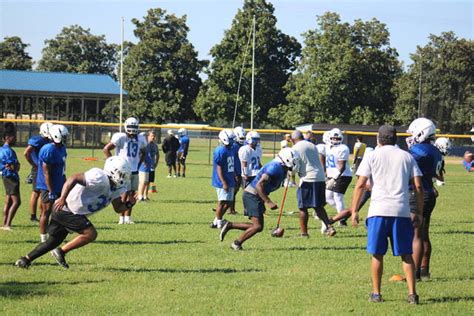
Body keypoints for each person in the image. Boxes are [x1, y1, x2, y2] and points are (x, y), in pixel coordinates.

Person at [15, 156, 133, 270]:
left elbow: (118, 208)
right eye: (122, 174)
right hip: (66, 209)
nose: (124, 178)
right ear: (113, 171)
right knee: (90, 234)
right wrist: (62, 198)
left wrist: (129, 204)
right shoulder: (100, 177)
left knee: (53, 241)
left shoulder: (116, 187)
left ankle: (25, 260)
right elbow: (74, 178)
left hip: (72, 212)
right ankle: (61, 251)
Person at [351, 125, 423, 305]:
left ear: (378, 139)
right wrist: (419, 212)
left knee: (377, 254)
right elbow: (419, 186)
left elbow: (360, 185)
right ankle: (412, 294)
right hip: (401, 211)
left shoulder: (372, 155)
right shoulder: (407, 156)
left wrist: (354, 211)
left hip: (378, 211)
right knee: (406, 254)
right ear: (395, 138)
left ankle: (376, 293)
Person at [219, 147, 299, 250]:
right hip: (252, 195)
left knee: (258, 226)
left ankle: (229, 225)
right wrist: (268, 202)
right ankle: (236, 243)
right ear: (287, 158)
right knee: (257, 226)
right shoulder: (275, 167)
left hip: (256, 196)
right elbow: (258, 185)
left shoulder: (281, 166)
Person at [406, 118, 443, 281]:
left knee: (416, 235)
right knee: (423, 233)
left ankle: (413, 274)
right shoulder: (435, 150)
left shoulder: (419, 150)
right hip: (429, 192)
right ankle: (424, 271)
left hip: (418, 194)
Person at [291, 130, 335, 237]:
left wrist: (290, 173)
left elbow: (295, 166)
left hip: (307, 179)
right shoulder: (312, 145)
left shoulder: (295, 148)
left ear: (293, 140)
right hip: (320, 177)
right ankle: (329, 227)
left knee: (302, 207)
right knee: (318, 206)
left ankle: (304, 233)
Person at [103, 117, 146, 224]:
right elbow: (106, 149)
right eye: (130, 127)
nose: (132, 130)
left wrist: (138, 164)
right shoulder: (121, 137)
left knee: (131, 194)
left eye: (134, 127)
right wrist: (112, 163)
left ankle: (128, 218)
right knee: (123, 194)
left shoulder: (141, 139)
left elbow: (143, 153)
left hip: (134, 171)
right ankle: (121, 218)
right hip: (122, 171)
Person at [36, 124, 68, 242]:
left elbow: (62, 169)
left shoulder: (62, 148)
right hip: (47, 185)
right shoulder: (48, 149)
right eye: (64, 136)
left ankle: (54, 235)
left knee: (59, 211)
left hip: (59, 183)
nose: (65, 138)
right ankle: (43, 237)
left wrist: (64, 183)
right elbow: (46, 173)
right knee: (46, 211)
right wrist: (51, 191)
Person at [24, 122, 52, 222]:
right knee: (36, 192)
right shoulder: (37, 140)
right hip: (38, 168)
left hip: (44, 168)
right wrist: (34, 164)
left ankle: (42, 214)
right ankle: (33, 216)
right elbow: (27, 152)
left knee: (42, 192)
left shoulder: (47, 140)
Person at [325, 128, 352, 226]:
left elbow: (342, 166)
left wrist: (334, 178)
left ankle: (342, 220)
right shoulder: (327, 147)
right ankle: (344, 214)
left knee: (337, 197)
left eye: (337, 138)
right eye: (333, 138)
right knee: (327, 197)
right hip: (332, 175)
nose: (335, 140)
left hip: (343, 175)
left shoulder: (343, 148)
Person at [210, 129, 236, 229]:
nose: (233, 141)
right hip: (223, 179)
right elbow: (219, 167)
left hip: (230, 178)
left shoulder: (230, 149)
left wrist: (234, 175)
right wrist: (223, 182)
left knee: (229, 202)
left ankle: (216, 220)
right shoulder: (220, 150)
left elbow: (231, 164)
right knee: (222, 201)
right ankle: (219, 222)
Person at [0, 123, 21, 230]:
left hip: (5, 177)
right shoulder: (9, 151)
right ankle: (7, 224)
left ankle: (4, 223)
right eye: (13, 136)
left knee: (8, 200)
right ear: (7, 137)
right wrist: (16, 166)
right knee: (17, 202)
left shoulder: (1, 149)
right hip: (11, 178)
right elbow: (12, 166)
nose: (15, 138)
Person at [229, 126, 246, 215]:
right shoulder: (234, 146)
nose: (242, 139)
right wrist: (235, 173)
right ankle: (230, 209)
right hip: (236, 172)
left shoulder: (242, 145)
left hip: (242, 172)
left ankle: (231, 208)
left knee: (242, 191)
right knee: (233, 191)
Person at [137, 132, 151, 201]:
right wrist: (143, 161)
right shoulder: (140, 145)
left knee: (145, 182)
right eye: (144, 136)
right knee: (142, 182)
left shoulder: (146, 144)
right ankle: (140, 196)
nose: (145, 137)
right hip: (143, 166)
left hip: (147, 166)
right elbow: (140, 155)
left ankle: (142, 196)